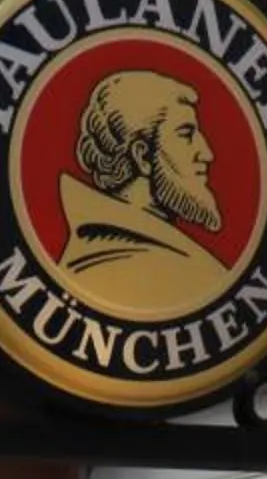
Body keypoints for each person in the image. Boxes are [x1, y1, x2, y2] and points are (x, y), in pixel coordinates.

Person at [55, 68, 232, 320]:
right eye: (186, 135)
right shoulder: (133, 264)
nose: (207, 153)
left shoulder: (158, 258)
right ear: (142, 156)